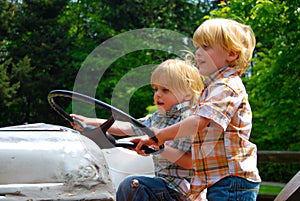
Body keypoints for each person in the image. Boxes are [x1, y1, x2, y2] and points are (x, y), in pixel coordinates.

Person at [133, 18, 262, 201]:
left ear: (232, 54)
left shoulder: (227, 86)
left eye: (206, 47)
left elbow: (198, 122)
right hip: (223, 180)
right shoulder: (212, 88)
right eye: (198, 47)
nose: (198, 53)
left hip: (233, 181)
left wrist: (159, 136)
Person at [71, 58, 206, 201]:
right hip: (163, 186)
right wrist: (88, 121)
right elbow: (127, 127)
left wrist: (157, 147)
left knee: (133, 186)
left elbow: (189, 162)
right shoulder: (159, 117)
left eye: (165, 90)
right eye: (155, 89)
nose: (158, 94)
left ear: (187, 94)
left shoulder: (188, 119)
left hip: (182, 191)